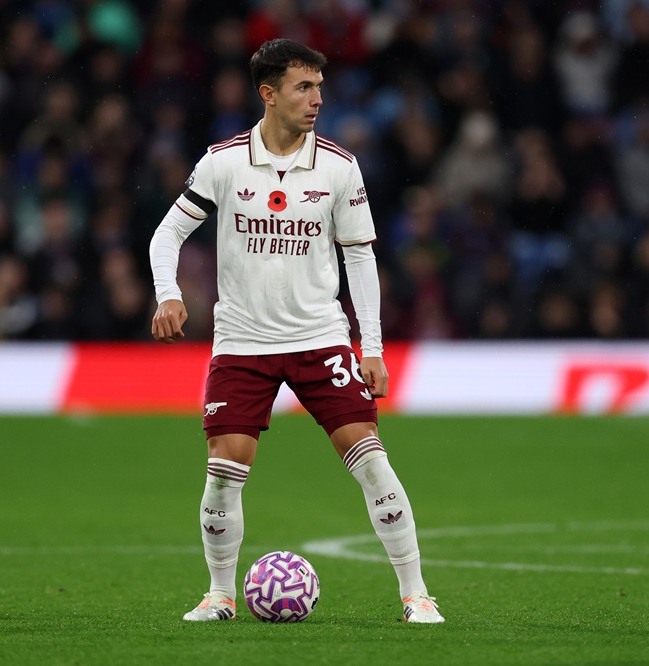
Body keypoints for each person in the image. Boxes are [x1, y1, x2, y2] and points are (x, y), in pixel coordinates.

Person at [149, 39, 444, 624]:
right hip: (243, 343)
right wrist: (169, 294)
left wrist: (373, 349)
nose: (317, 100)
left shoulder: (339, 166)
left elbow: (361, 259)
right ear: (269, 94)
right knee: (223, 471)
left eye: (319, 88)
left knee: (371, 460)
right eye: (303, 88)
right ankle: (220, 595)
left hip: (320, 338)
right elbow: (166, 236)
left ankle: (416, 595)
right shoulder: (224, 161)